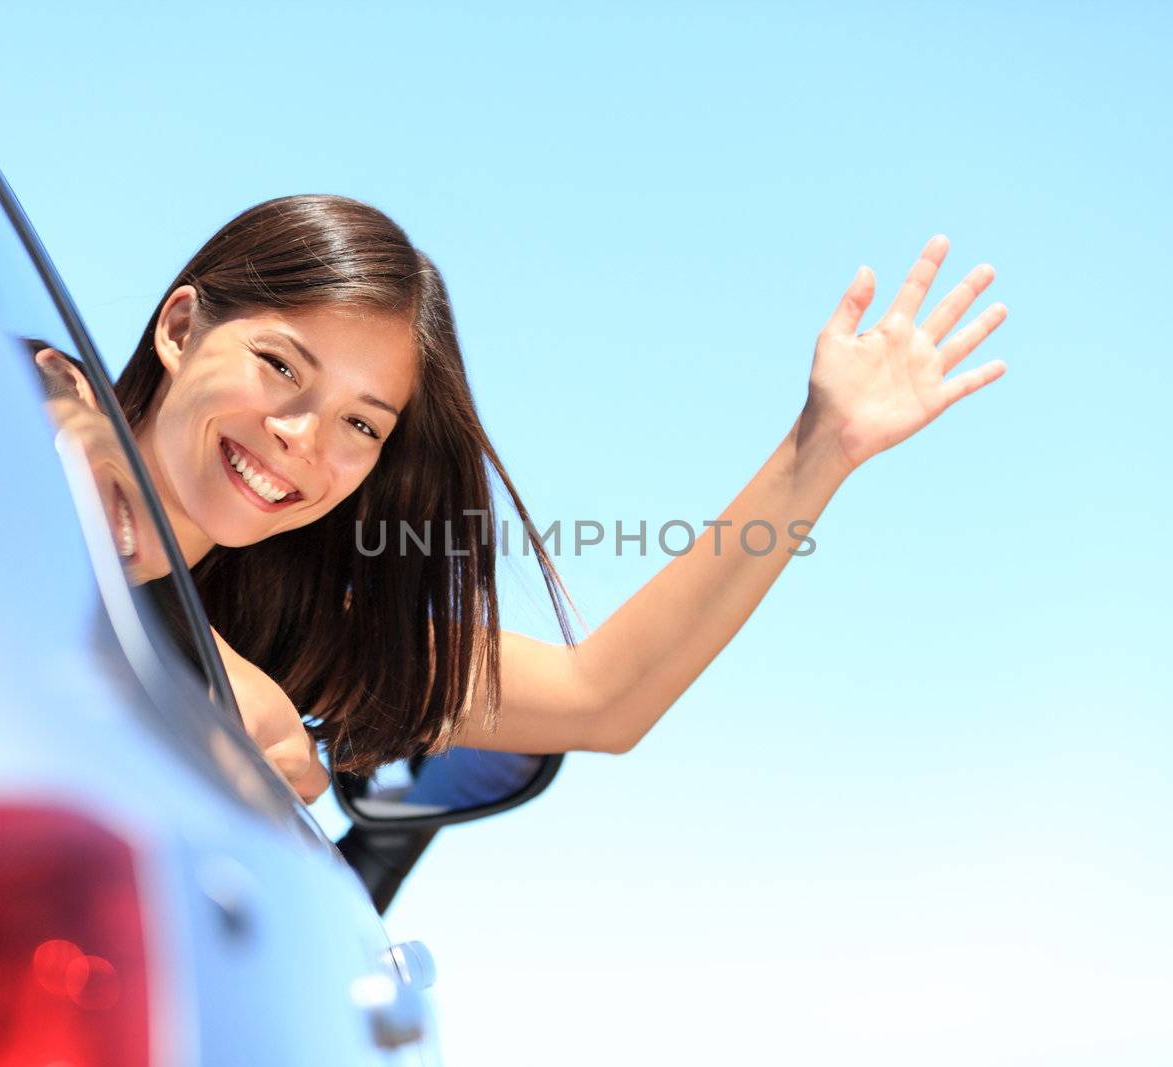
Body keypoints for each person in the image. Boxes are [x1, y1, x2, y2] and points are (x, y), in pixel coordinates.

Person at [96, 194, 1006, 801]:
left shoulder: (307, 624)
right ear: (181, 327)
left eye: (363, 425)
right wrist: (216, 671)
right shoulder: (25, 409)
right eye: (281, 365)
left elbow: (599, 698)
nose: (302, 437)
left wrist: (822, 450)